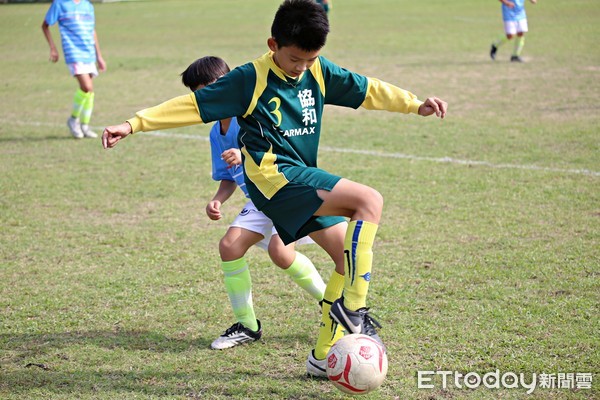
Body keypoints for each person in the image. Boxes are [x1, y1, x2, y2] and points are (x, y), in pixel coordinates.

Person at [102, 0, 447, 377]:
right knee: (370, 199)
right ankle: (354, 311)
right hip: (274, 181)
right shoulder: (249, 78)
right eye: (295, 59)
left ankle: (320, 355)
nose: (302, 68)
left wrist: (415, 105)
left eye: (310, 60)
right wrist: (132, 124)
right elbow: (192, 105)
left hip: (300, 176)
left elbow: (366, 90)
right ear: (273, 45)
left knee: (345, 262)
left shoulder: (317, 71)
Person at [181, 56, 331, 350]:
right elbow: (227, 176)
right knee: (229, 246)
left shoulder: (249, 116)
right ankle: (248, 326)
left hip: (283, 192)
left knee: (281, 253)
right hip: (259, 200)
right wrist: (218, 199)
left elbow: (280, 153)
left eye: (209, 90)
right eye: (199, 94)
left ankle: (331, 303)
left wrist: (245, 154)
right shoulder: (216, 132)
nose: (206, 98)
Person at [42, 0, 106, 139]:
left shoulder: (88, 6)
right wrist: (53, 48)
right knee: (87, 87)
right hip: (73, 52)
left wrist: (99, 56)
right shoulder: (59, 4)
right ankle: (73, 119)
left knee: (90, 92)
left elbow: (92, 31)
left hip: (88, 52)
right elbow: (45, 25)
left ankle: (85, 125)